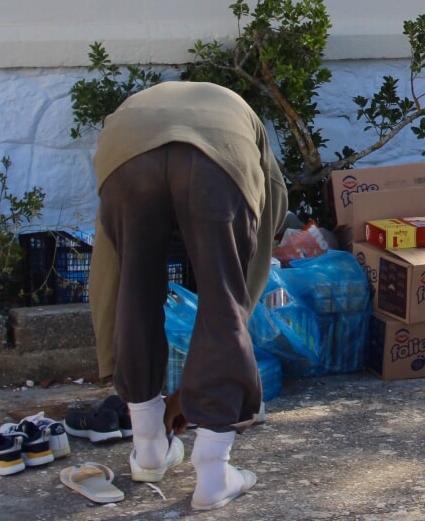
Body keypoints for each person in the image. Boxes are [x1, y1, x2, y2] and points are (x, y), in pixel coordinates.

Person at [89, 81, 289, 511]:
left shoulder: (141, 106)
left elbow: (111, 276)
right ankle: (214, 473)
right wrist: (229, 330)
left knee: (134, 290)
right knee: (222, 300)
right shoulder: (244, 121)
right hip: (219, 158)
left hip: (126, 155)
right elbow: (259, 242)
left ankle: (148, 450)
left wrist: (112, 357)